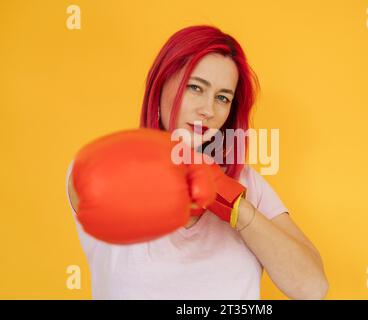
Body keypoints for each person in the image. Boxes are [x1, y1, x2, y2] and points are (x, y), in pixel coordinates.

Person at [65, 25, 328, 300]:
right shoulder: (108, 167)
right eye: (195, 87)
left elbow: (312, 288)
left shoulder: (248, 184)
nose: (208, 110)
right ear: (161, 84)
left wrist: (235, 207)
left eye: (222, 97)